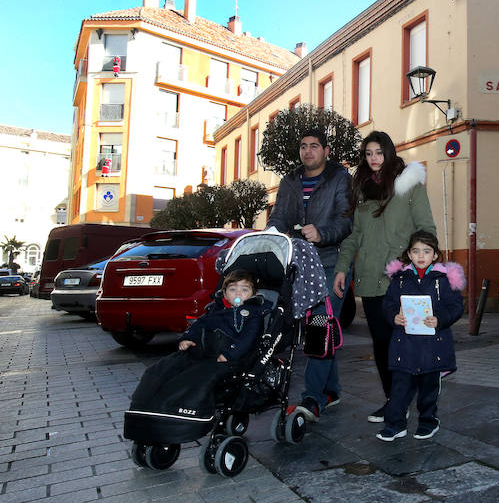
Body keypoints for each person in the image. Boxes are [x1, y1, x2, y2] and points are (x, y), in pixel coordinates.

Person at [334, 131, 436, 424]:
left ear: (389, 152)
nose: (374, 158)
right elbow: (354, 236)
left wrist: (416, 265)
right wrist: (343, 267)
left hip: (402, 278)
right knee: (381, 342)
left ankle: (422, 404)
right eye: (368, 153)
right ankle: (394, 401)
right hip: (369, 277)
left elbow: (425, 227)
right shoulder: (362, 189)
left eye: (379, 152)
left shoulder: (409, 185)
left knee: (409, 341)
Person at [267, 128, 351, 423]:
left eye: (314, 146)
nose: (308, 151)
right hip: (300, 264)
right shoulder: (290, 181)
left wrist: (323, 233)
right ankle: (331, 389)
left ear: (326, 151)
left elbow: (346, 219)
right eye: (303, 146)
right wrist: (271, 234)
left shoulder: (339, 177)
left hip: (331, 262)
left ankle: (312, 399)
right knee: (322, 326)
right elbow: (279, 216)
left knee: (319, 326)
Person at [129, 270, 264, 410]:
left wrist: (230, 354)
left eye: (244, 289)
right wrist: (187, 338)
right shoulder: (216, 309)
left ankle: (180, 407)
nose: (238, 293)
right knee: (161, 369)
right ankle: (143, 403)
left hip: (228, 357)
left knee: (194, 376)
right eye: (233, 289)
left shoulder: (253, 314)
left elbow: (248, 339)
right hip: (204, 352)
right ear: (224, 293)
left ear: (253, 294)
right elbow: (199, 324)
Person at [375, 231, 464, 442]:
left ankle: (428, 422)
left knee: (428, 389)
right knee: (399, 387)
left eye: (426, 251)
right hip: (404, 345)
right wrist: (393, 316)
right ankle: (395, 425)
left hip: (433, 346)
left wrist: (440, 319)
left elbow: (456, 306)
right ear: (409, 254)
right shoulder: (400, 279)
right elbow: (387, 304)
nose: (421, 256)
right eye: (416, 251)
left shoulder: (442, 280)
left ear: (435, 255)